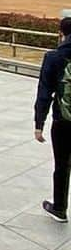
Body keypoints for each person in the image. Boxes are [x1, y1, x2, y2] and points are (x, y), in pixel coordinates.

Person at [34, 11, 71, 222]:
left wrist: (39, 123)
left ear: (61, 34)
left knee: (62, 164)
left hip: (63, 121)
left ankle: (59, 207)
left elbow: (45, 92)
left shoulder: (54, 57)